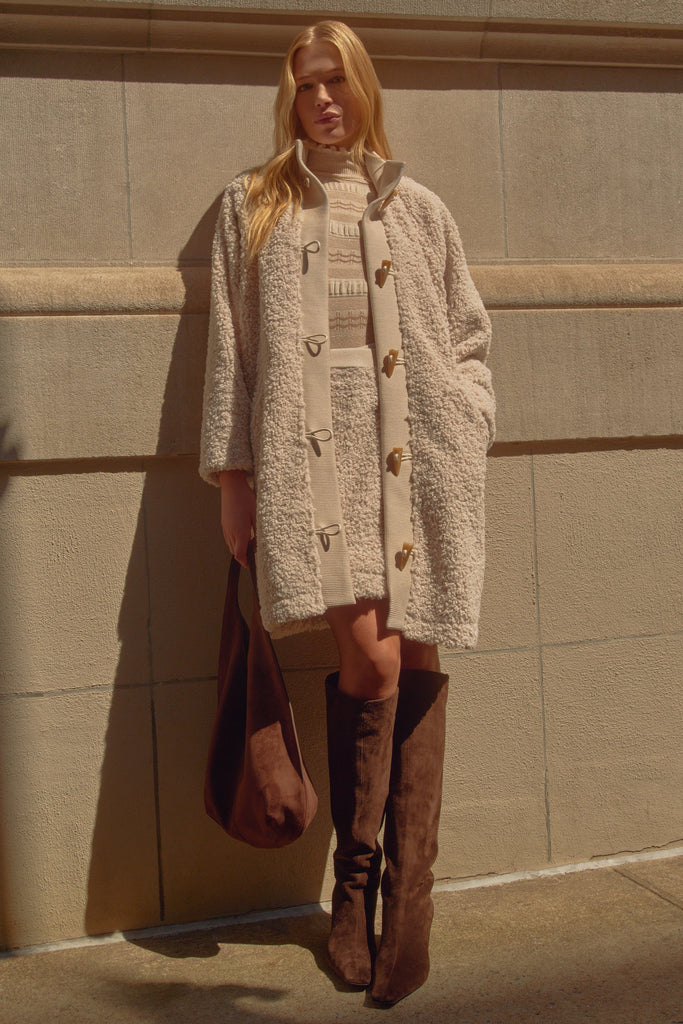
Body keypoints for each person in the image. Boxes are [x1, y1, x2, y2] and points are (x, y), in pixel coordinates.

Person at [199, 20, 494, 1005]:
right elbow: (231, 356)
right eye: (304, 85)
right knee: (366, 659)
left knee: (419, 657)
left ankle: (406, 906)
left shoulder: (418, 208)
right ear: (289, 99)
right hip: (318, 477)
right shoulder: (252, 205)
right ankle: (351, 889)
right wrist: (235, 479)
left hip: (417, 467)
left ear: (361, 87)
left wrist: (470, 407)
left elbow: (465, 333)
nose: (321, 99)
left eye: (335, 81)